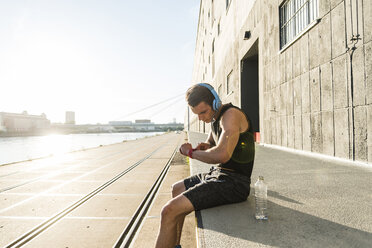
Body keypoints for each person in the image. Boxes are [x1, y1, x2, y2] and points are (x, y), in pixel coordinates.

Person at [155, 83, 255, 248]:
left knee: (168, 211)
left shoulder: (230, 115)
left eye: (203, 112)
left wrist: (191, 153)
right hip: (218, 175)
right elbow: (212, 144)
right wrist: (204, 147)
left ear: (215, 102)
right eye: (197, 114)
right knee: (177, 188)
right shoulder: (215, 118)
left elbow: (222, 154)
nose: (200, 118)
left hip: (234, 183)